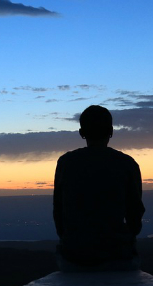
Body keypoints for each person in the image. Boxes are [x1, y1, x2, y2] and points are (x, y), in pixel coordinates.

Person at [53, 105, 145, 271]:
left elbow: (58, 211)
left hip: (74, 256)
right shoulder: (127, 164)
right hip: (117, 255)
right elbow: (135, 212)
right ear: (111, 131)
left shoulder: (66, 163)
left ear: (82, 133)